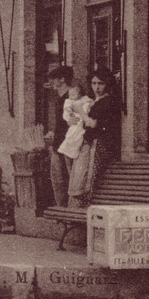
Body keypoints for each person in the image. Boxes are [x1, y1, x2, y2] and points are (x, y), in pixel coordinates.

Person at [76, 66, 122, 206]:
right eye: (94, 83)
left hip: (100, 145)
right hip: (91, 144)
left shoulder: (107, 102)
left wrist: (82, 114)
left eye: (101, 83)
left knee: (92, 177)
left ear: (107, 84)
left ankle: (88, 206)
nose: (97, 87)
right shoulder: (95, 101)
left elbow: (94, 124)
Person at [45, 65, 74, 207]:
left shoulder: (72, 97)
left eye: (54, 80)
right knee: (58, 179)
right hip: (58, 145)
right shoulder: (60, 99)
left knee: (69, 179)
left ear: (62, 79)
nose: (52, 83)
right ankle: (62, 210)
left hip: (69, 146)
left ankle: (69, 209)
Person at [60, 83, 94, 204]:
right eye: (70, 94)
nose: (71, 96)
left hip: (82, 127)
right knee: (69, 147)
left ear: (80, 94)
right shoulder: (68, 102)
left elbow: (88, 107)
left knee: (75, 147)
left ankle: (75, 190)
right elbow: (67, 112)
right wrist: (69, 117)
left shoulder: (86, 100)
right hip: (75, 124)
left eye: (74, 94)